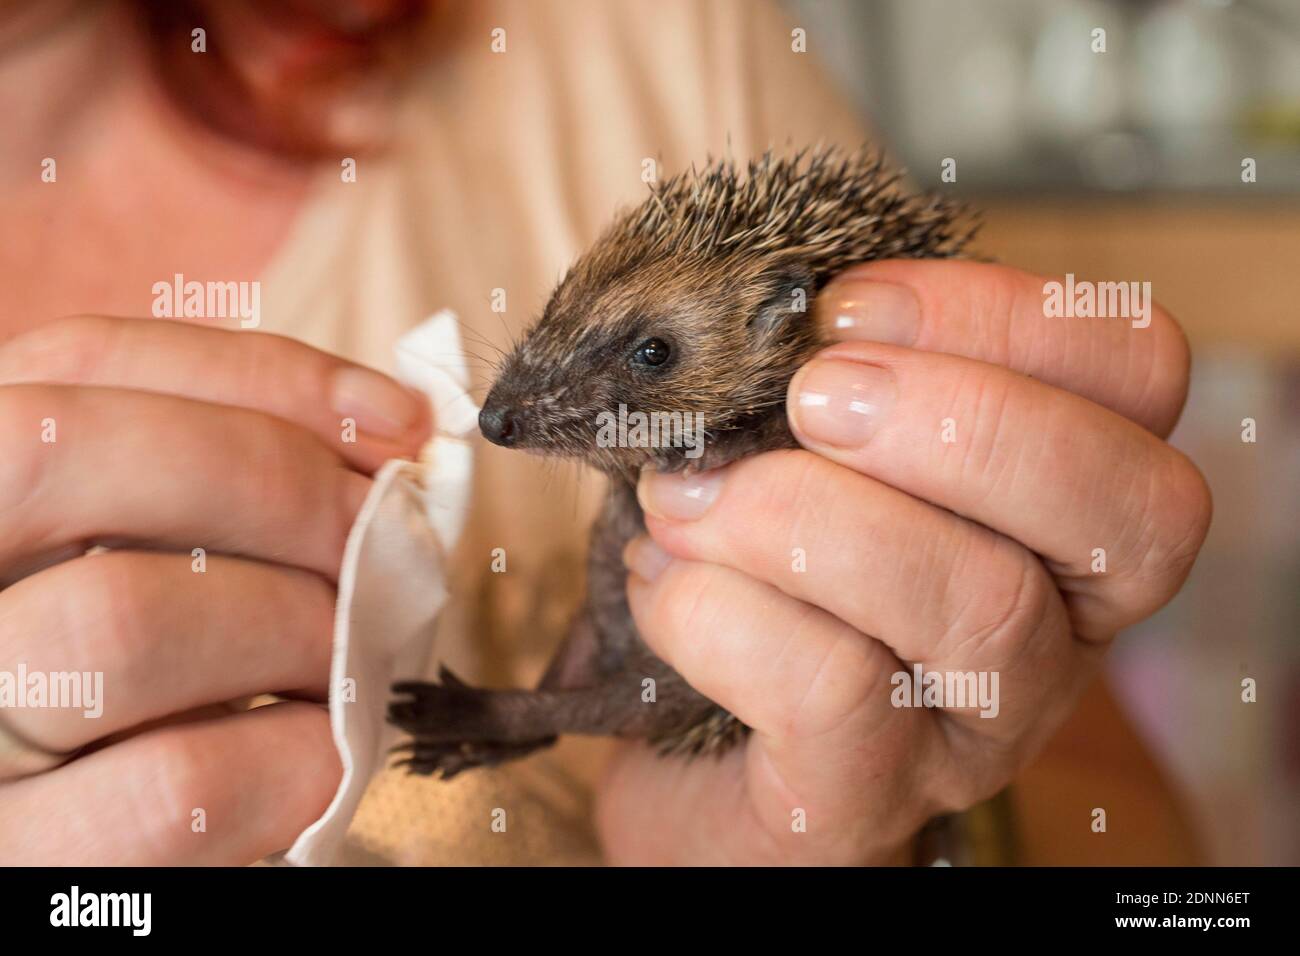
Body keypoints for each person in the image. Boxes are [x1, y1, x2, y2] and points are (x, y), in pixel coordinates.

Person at [0, 0, 1208, 865]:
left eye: (649, 357)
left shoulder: (658, 39)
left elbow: (1122, 813)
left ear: (783, 326)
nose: (516, 412)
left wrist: (904, 813)